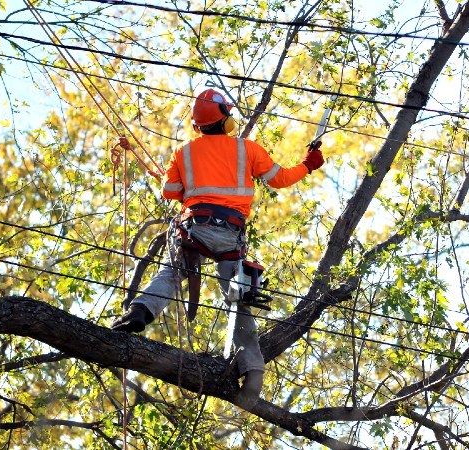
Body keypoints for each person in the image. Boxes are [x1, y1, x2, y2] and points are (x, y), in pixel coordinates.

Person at [111, 88, 325, 405]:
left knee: (170, 274)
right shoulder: (248, 150)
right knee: (237, 297)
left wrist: (185, 182)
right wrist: (308, 164)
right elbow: (280, 179)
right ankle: (253, 373)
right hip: (230, 233)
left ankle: (138, 313)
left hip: (192, 228)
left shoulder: (184, 151)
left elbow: (169, 192)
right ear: (226, 120)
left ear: (198, 126)